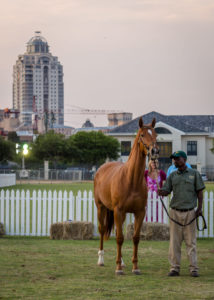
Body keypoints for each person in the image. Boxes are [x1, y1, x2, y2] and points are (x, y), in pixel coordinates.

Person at [158, 151, 205, 277]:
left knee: (191, 242)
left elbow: (200, 192)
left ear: (184, 159)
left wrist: (199, 209)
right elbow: (166, 191)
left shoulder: (194, 174)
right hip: (175, 213)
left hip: (190, 212)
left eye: (177, 159)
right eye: (174, 159)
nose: (175, 161)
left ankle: (193, 268)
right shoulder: (172, 175)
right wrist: (161, 191)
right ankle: (174, 268)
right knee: (174, 242)